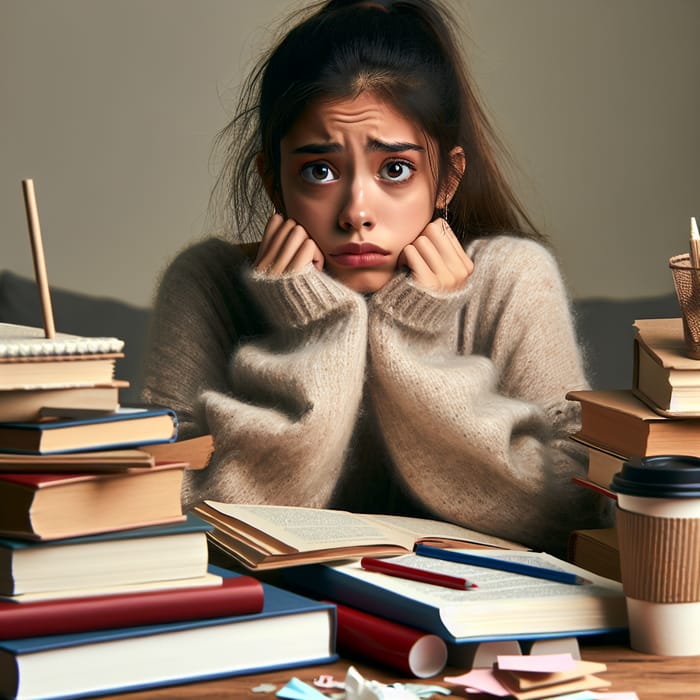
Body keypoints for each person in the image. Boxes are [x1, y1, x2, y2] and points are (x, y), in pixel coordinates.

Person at [142, 0, 612, 556]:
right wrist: (315, 335)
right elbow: (163, 505)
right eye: (319, 170)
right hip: (269, 618)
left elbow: (578, 503)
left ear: (446, 180)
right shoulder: (209, 285)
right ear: (274, 183)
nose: (356, 211)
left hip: (470, 620)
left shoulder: (511, 277)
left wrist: (416, 343)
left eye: (395, 169)